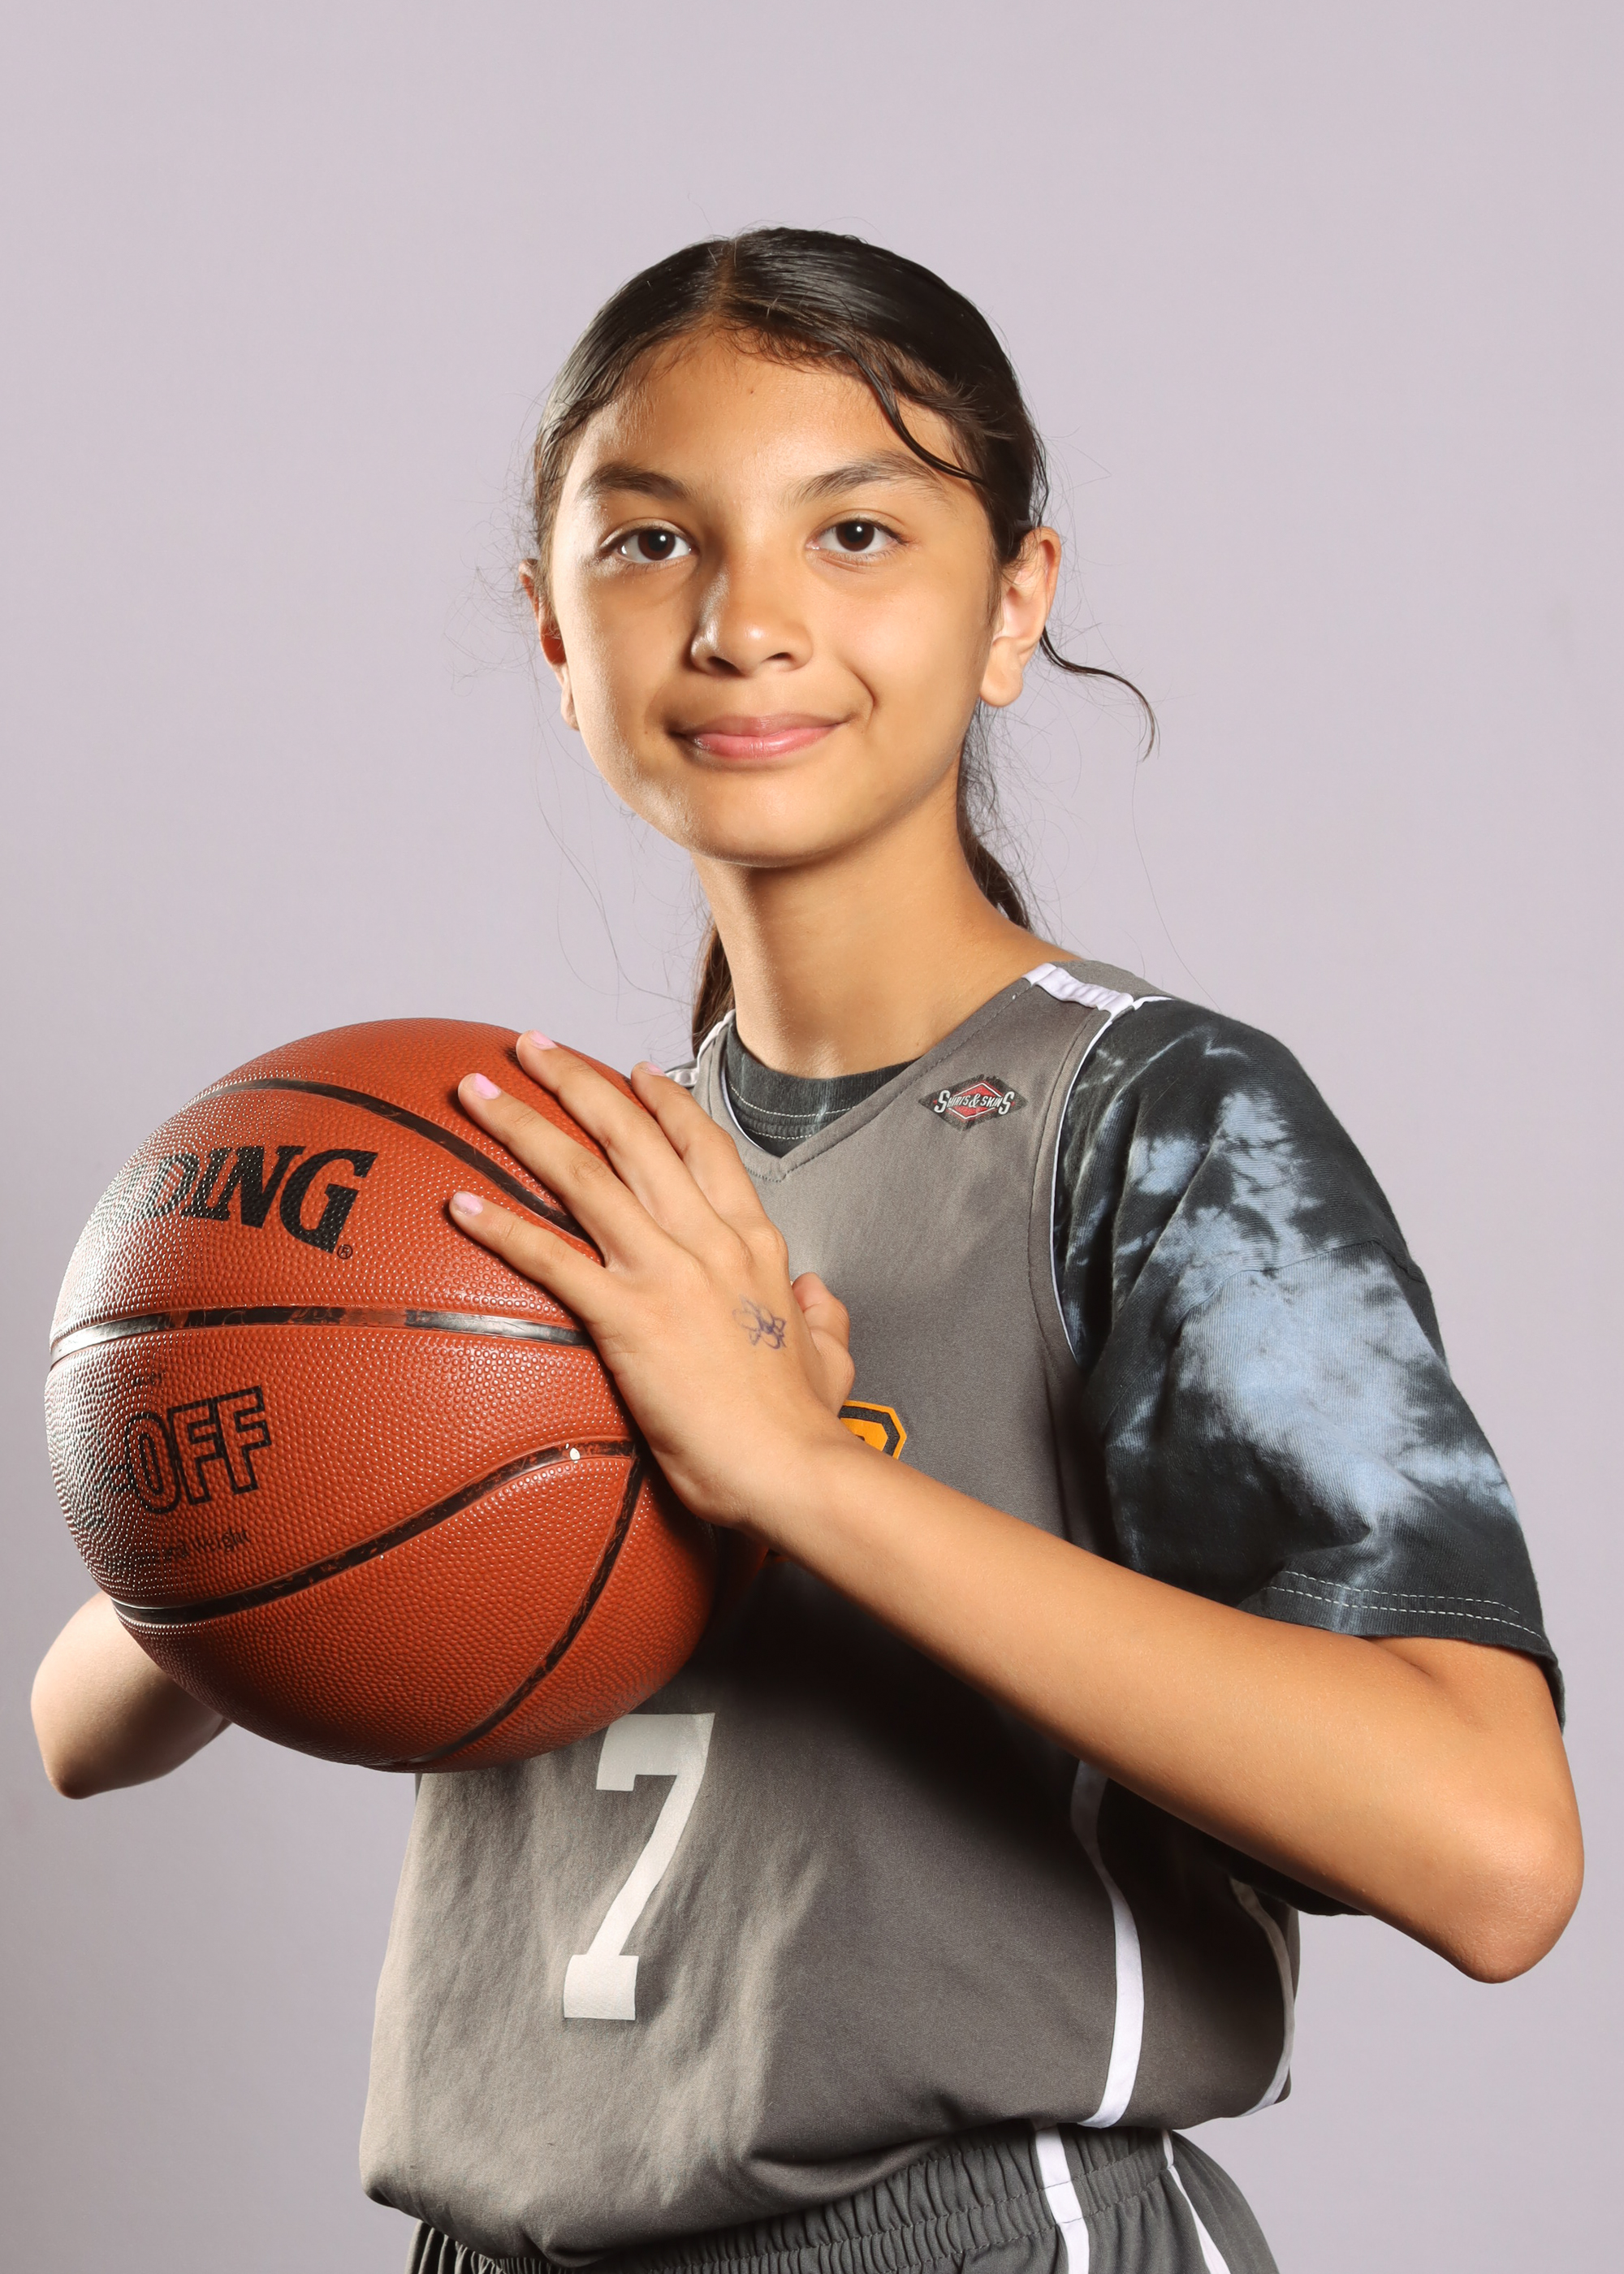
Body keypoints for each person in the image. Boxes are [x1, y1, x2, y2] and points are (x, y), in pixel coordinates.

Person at [32, 230, 1582, 2274]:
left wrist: (795, 1473)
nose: (746, 621)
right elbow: (80, 1725)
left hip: (966, 2227)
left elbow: (1491, 1851)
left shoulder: (1152, 1121)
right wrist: (298, 1440)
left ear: (1013, 603)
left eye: (854, 531)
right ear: (554, 631)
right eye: (650, 541)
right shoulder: (575, 1173)